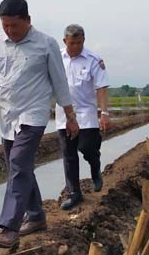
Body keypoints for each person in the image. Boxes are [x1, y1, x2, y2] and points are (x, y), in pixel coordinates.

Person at [0, 0, 80, 248]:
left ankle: (9, 227)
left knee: (19, 162)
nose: (9, 30)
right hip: (7, 117)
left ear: (28, 21)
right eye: (5, 25)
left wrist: (71, 117)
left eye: (14, 25)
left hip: (34, 115)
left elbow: (61, 84)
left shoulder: (46, 44)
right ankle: (37, 216)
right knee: (19, 168)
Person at [55, 24, 110, 210]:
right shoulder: (56, 58)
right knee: (69, 154)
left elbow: (101, 87)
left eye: (79, 43)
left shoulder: (94, 60)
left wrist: (104, 113)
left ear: (84, 40)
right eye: (72, 43)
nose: (76, 47)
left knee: (87, 148)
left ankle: (95, 168)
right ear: (65, 41)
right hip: (64, 115)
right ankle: (74, 193)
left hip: (86, 114)